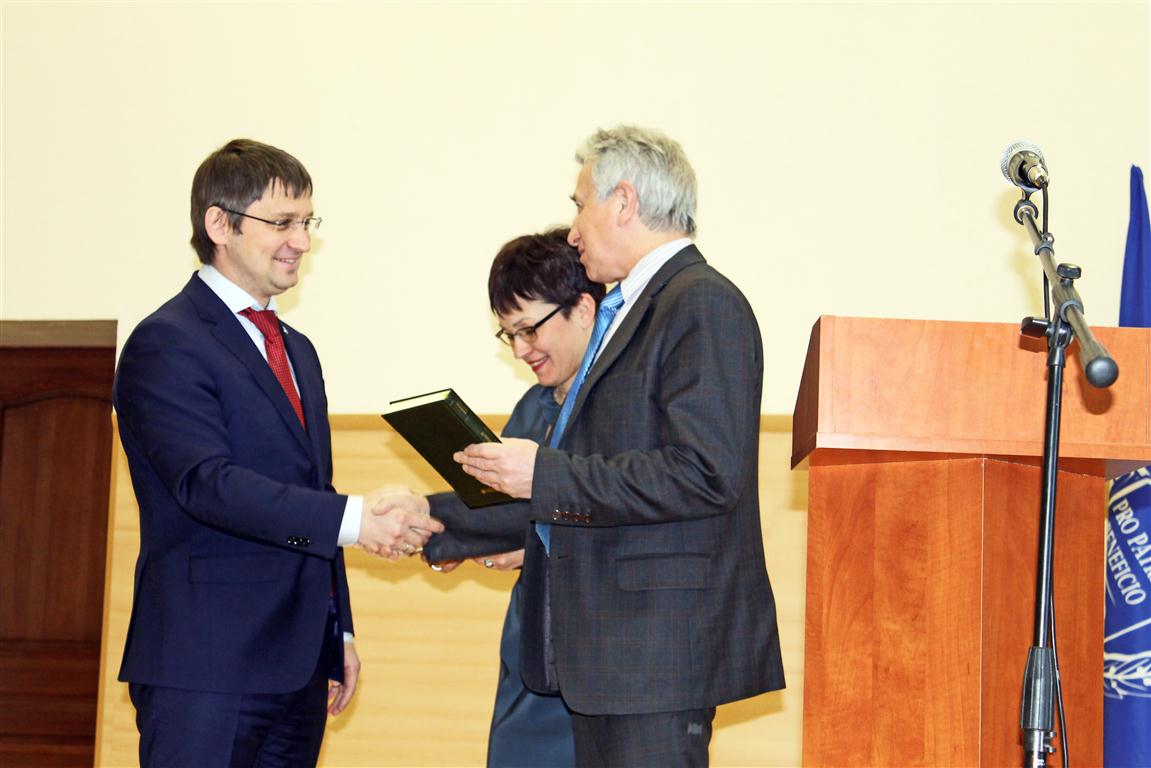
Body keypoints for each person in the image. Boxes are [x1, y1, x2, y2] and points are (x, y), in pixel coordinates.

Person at [452, 126, 786, 767]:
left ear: (624, 202)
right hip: (610, 657)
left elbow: (705, 472)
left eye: (581, 205)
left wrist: (543, 475)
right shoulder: (632, 311)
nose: (574, 231)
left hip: (655, 657)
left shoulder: (701, 302)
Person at [113, 138, 441, 767]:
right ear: (219, 224)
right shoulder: (167, 342)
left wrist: (338, 629)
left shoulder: (297, 349)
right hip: (206, 668)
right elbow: (207, 484)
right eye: (282, 222)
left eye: (307, 222)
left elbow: (312, 491)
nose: (301, 242)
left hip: (299, 667)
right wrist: (358, 520)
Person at [423, 229, 604, 767]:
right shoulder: (533, 405)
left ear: (583, 309)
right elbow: (507, 513)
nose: (522, 349)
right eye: (510, 334)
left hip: (603, 663)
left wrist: (538, 540)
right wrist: (455, 535)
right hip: (532, 654)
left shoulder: (624, 407)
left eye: (529, 329)